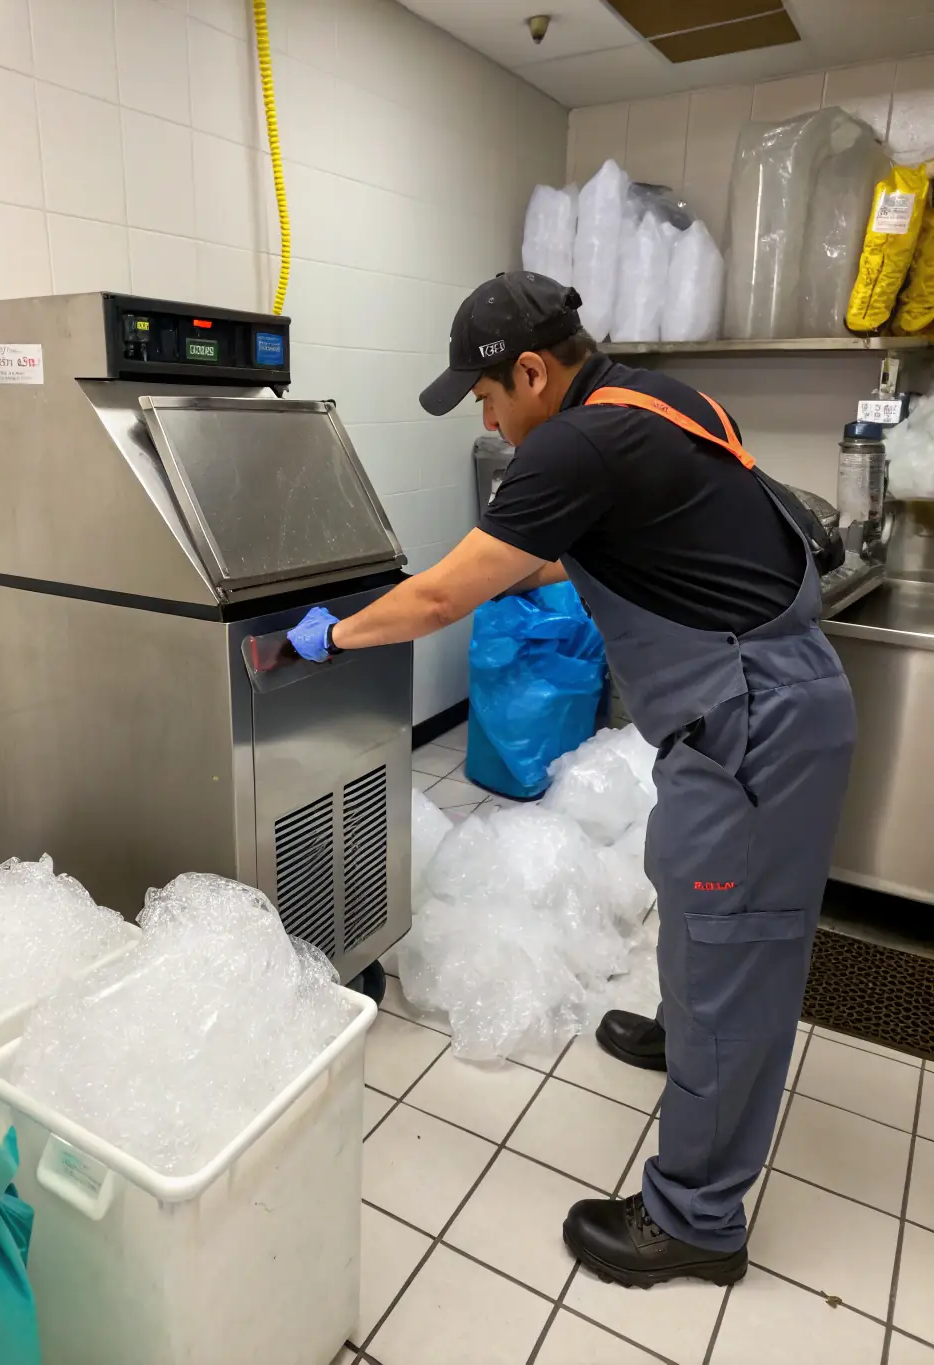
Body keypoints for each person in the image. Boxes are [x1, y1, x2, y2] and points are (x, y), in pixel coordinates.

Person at [288, 271, 856, 1289]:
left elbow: (439, 601)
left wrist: (334, 635)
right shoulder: (655, 399)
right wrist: (473, 576)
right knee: (687, 879)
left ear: (532, 372)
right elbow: (598, 550)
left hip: (755, 722)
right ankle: (684, 1034)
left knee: (734, 952)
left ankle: (695, 1219)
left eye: (486, 397)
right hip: (733, 711)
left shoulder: (575, 442)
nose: (490, 421)